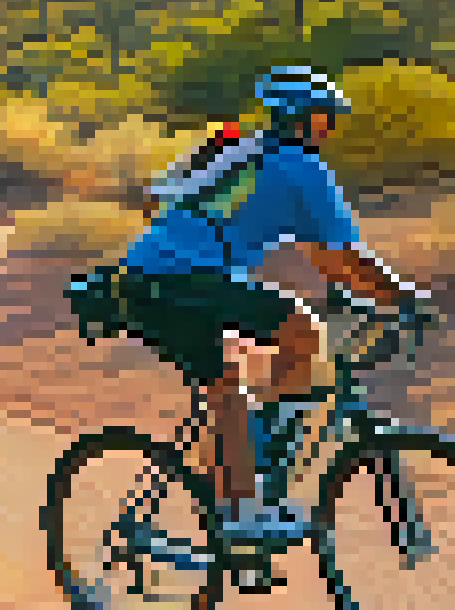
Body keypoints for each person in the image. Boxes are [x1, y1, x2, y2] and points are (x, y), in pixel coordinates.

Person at [87, 65, 436, 549]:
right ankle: (245, 513)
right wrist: (402, 298)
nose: (329, 129)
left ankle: (235, 475)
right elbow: (343, 257)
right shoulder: (303, 168)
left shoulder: (232, 149)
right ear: (301, 120)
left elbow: (154, 201)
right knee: (281, 348)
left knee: (259, 363)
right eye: (324, 119)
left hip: (147, 279)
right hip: (184, 281)